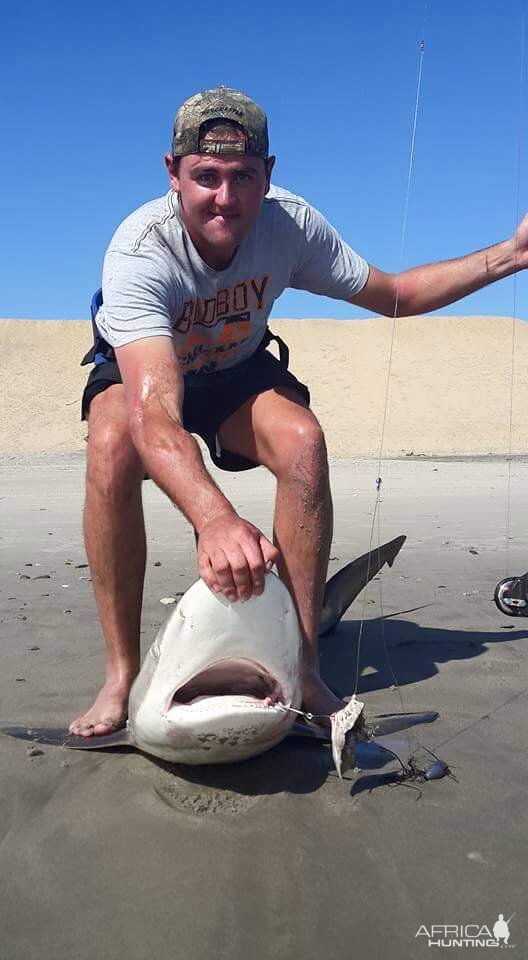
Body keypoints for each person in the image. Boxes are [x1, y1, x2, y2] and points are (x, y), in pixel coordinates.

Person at [70, 86, 528, 737]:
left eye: (243, 178)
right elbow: (156, 418)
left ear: (268, 176)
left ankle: (303, 665)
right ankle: (120, 675)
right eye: (205, 178)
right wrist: (217, 519)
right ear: (172, 174)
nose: (225, 198)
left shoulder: (291, 226)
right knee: (113, 439)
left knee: (304, 441)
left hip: (236, 371)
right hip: (150, 380)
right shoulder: (140, 251)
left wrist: (512, 255)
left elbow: (395, 293)